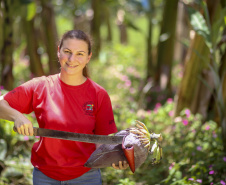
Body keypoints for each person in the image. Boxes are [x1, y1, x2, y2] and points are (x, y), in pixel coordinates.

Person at [0, 30, 128, 185]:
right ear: (58, 51)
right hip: (45, 176)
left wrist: (114, 156)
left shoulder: (99, 94)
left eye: (80, 54)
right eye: (67, 51)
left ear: (89, 57)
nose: (72, 59)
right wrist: (17, 116)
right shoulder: (40, 86)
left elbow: (101, 141)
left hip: (87, 176)